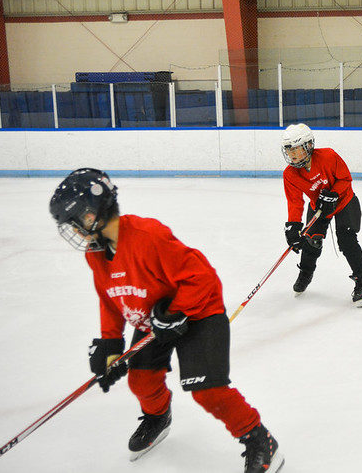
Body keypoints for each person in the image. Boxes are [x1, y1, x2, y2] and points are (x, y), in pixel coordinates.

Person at [49, 168, 284, 473]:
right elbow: (110, 299)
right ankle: (158, 417)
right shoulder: (96, 254)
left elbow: (203, 278)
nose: (76, 232)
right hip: (154, 321)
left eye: (77, 222)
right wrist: (110, 344)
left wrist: (175, 312)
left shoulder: (148, 235)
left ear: (94, 212)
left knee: (206, 390)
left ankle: (259, 440)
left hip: (199, 312)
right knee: (141, 381)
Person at [281, 123, 362, 307]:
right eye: (288, 150)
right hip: (318, 207)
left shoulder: (328, 156)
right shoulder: (290, 174)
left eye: (295, 149)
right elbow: (294, 202)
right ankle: (305, 273)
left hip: (344, 201)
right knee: (310, 240)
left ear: (308, 145)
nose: (291, 154)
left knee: (346, 239)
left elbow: (345, 178)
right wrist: (293, 225)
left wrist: (334, 194)